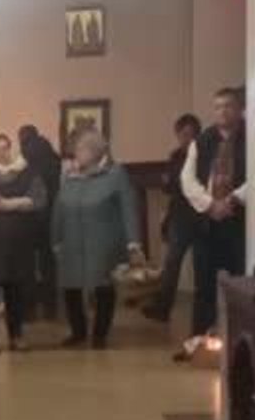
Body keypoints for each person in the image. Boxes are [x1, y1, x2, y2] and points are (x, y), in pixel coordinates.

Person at [51, 129, 144, 349]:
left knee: (103, 286)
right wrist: (55, 238)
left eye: (79, 149)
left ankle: (100, 334)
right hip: (71, 239)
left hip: (104, 241)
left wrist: (133, 243)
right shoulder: (70, 175)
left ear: (93, 151)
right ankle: (78, 332)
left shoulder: (116, 174)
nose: (75, 154)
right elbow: (58, 209)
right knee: (70, 286)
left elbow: (128, 208)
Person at [176, 87, 247, 361]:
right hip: (207, 223)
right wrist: (210, 204)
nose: (222, 111)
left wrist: (233, 199)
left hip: (239, 221)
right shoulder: (202, 141)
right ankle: (197, 344)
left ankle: (240, 348)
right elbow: (187, 180)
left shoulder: (252, 137)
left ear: (239, 109)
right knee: (204, 287)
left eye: (228, 105)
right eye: (217, 106)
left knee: (241, 285)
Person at [0, 134, 47, 353]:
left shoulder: (27, 172)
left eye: (5, 148)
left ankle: (16, 335)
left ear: (11, 149)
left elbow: (40, 199)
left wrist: (9, 204)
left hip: (18, 242)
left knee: (16, 292)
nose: (2, 153)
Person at [142, 114, 202, 323]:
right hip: (179, 215)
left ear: (197, 134)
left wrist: (175, 182)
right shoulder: (175, 156)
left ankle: (203, 310)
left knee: (201, 264)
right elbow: (169, 187)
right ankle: (162, 308)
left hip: (202, 216)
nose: (186, 138)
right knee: (172, 262)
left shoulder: (204, 154)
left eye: (190, 134)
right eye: (182, 134)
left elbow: (196, 185)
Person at [19, 125, 62, 320]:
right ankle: (50, 307)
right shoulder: (53, 158)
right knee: (48, 265)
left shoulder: (28, 156)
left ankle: (29, 309)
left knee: (27, 264)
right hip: (51, 217)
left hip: (32, 217)